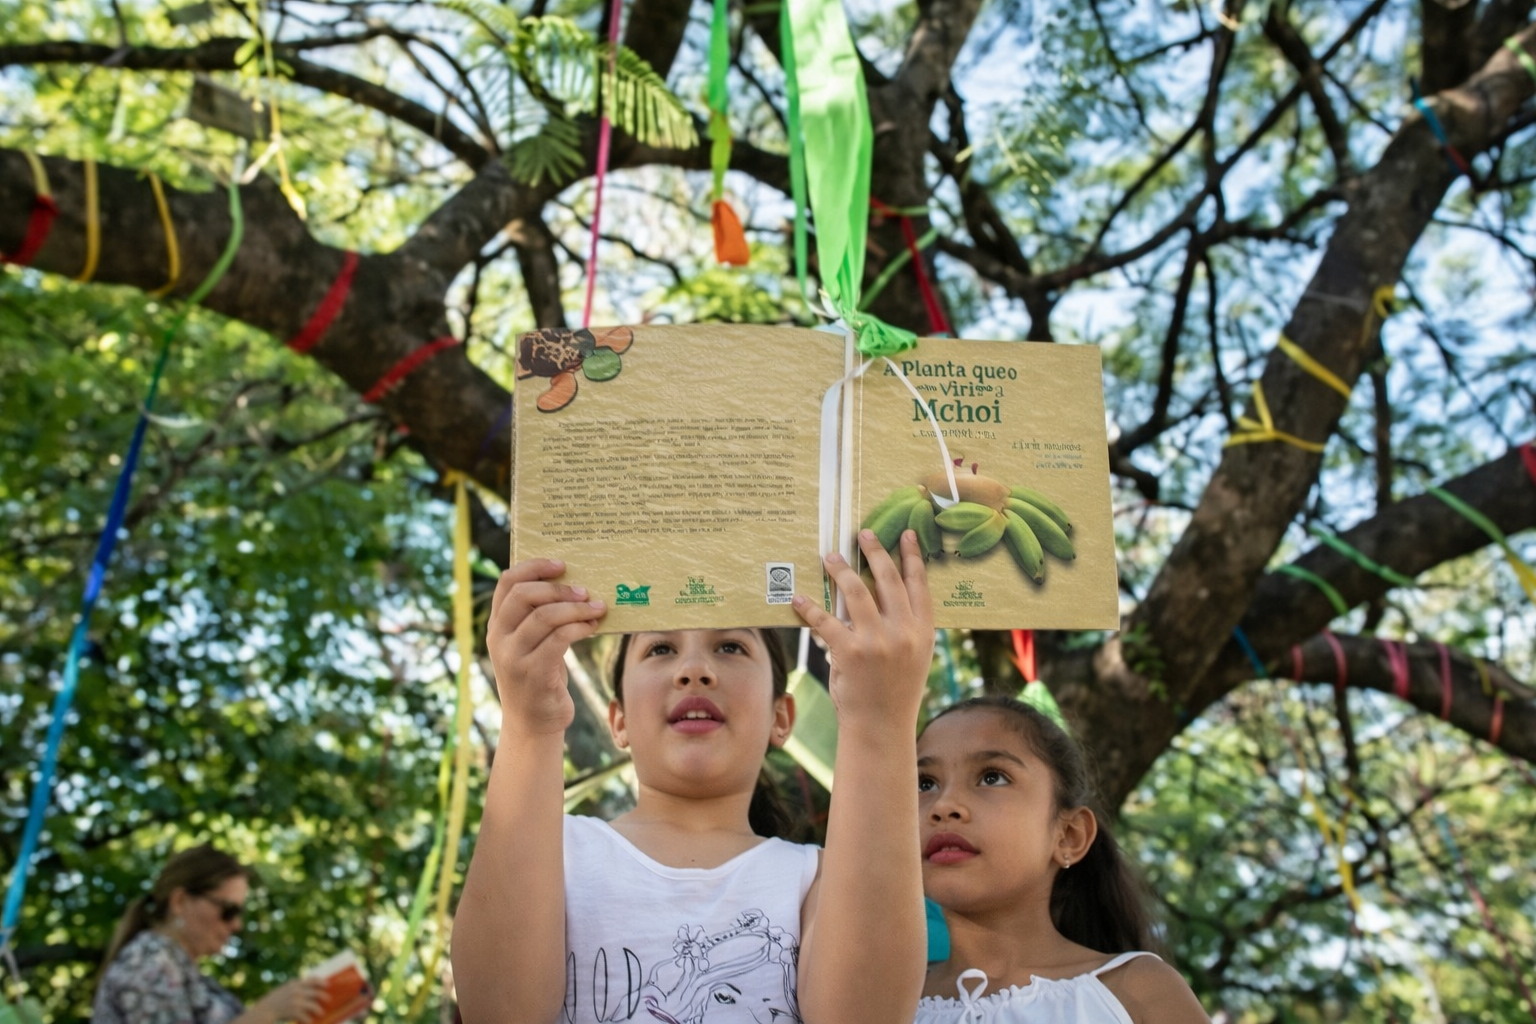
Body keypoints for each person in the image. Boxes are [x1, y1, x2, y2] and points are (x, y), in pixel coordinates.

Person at [454, 530, 935, 1024]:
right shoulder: (553, 850)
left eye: (730, 646)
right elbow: (498, 1010)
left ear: (782, 716)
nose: (695, 670)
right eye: (660, 649)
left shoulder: (819, 878)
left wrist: (880, 718)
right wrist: (529, 725)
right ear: (617, 720)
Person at [913, 697, 1209, 1024]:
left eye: (992, 777)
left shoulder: (1135, 991)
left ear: (1069, 836)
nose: (944, 805)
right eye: (924, 783)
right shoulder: (883, 1002)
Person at [93, 845, 327, 1024]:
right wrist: (266, 1012)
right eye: (228, 910)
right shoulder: (148, 964)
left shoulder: (185, 974)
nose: (236, 924)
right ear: (180, 901)